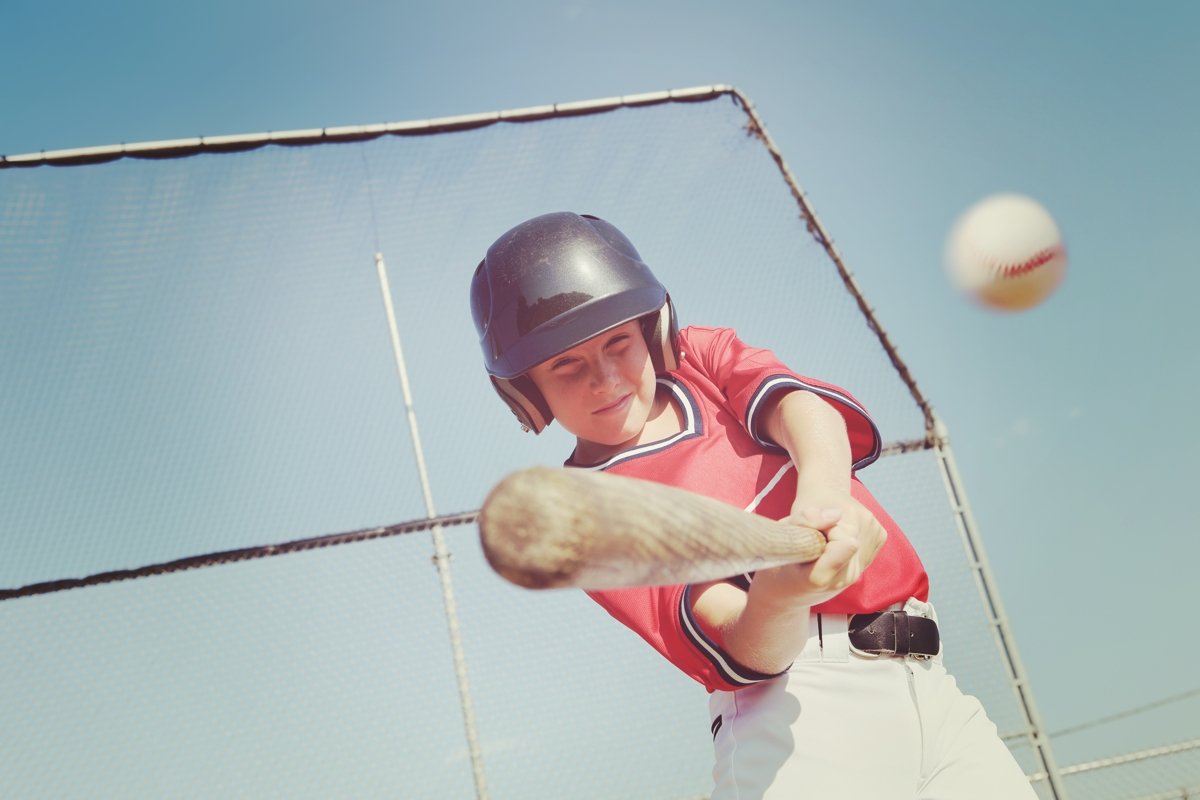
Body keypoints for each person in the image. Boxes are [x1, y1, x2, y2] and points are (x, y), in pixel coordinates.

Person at [470, 211, 1036, 799]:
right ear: (526, 391)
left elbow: (803, 412)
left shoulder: (698, 361)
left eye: (619, 343)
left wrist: (822, 499)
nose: (605, 378)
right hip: (801, 713)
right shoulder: (585, 511)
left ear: (653, 331)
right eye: (566, 365)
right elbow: (746, 645)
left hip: (932, 683)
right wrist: (783, 594)